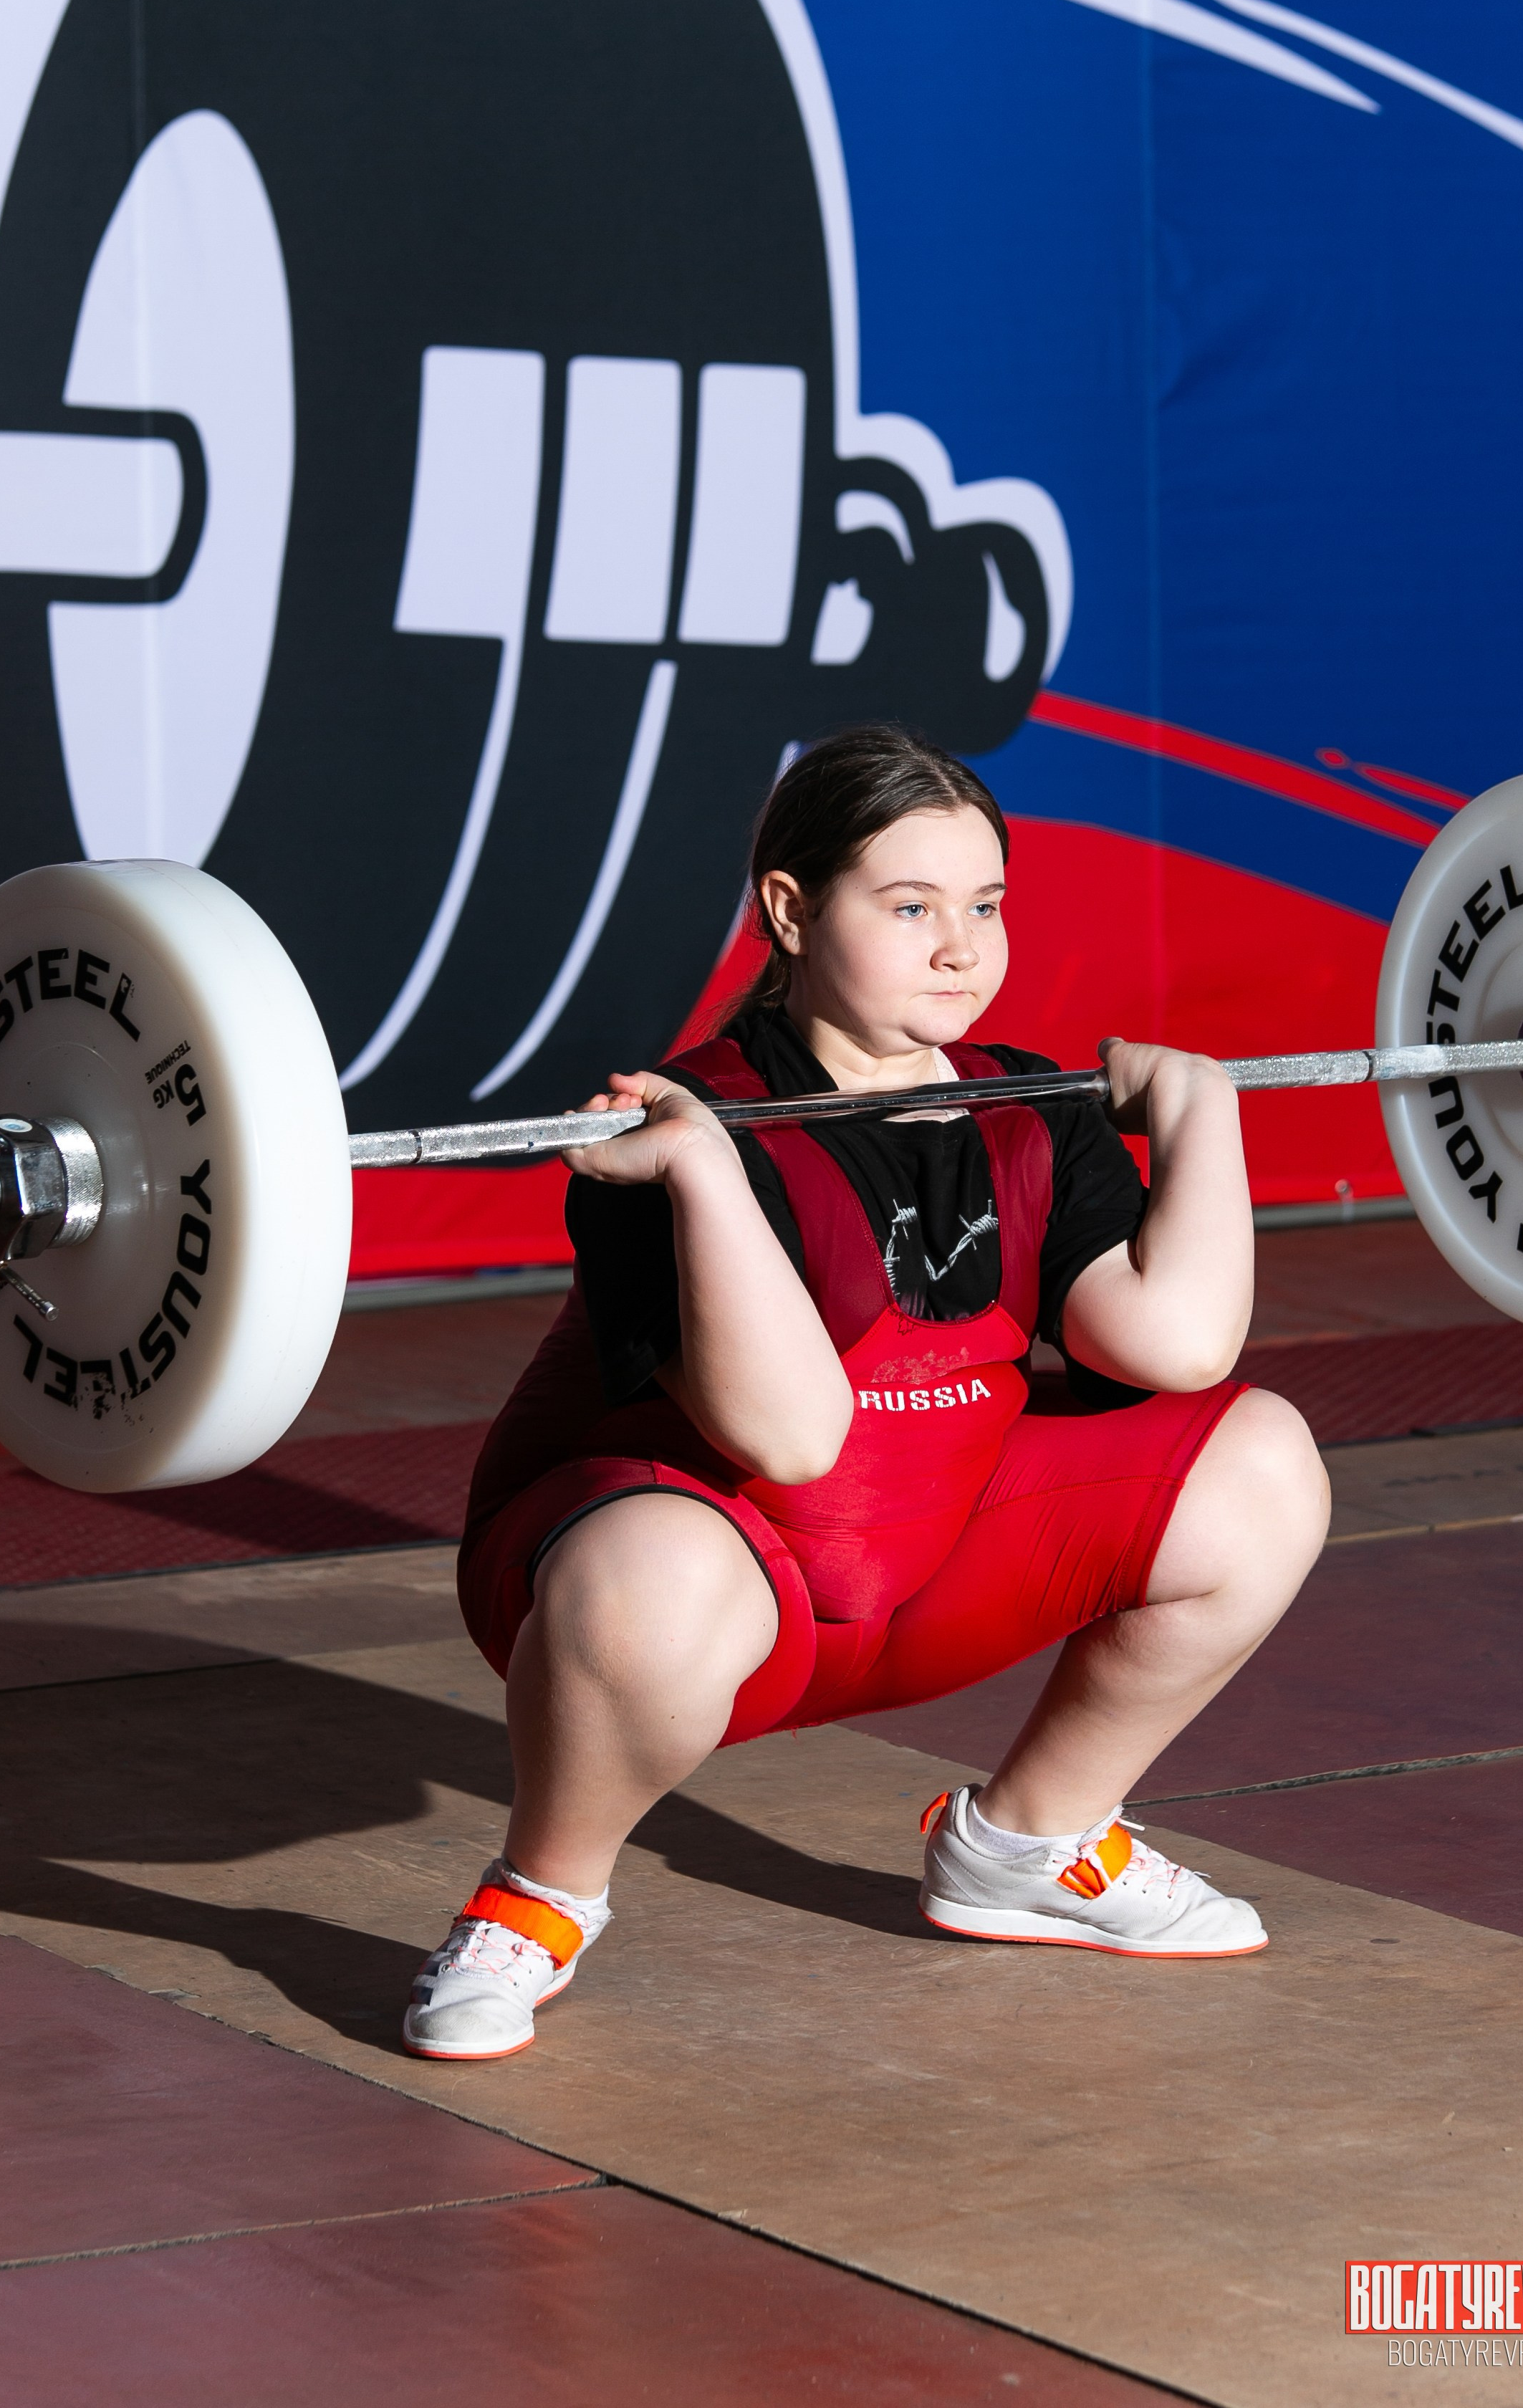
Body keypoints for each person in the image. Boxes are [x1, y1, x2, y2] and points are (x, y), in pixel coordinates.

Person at [404, 726, 1330, 2059]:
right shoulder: (665, 1136)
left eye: (987, 905)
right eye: (911, 908)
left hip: (932, 1563)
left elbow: (1176, 1345)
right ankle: (538, 1900)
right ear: (789, 909)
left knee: (1263, 1462)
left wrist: (1206, 1129)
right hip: (707, 1598)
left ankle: (1030, 1843)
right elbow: (787, 1436)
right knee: (649, 1578)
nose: (964, 946)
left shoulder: (1031, 1103)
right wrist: (709, 1176)